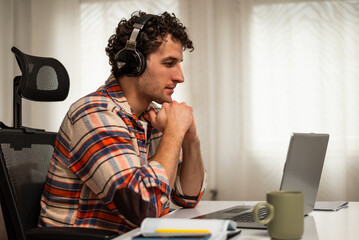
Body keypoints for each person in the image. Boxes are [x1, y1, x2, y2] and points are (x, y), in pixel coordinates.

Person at [38, 11, 206, 233]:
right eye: (169, 63)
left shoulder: (151, 116)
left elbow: (188, 196)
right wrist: (174, 132)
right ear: (132, 63)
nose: (180, 76)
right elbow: (143, 207)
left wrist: (190, 137)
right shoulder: (94, 114)